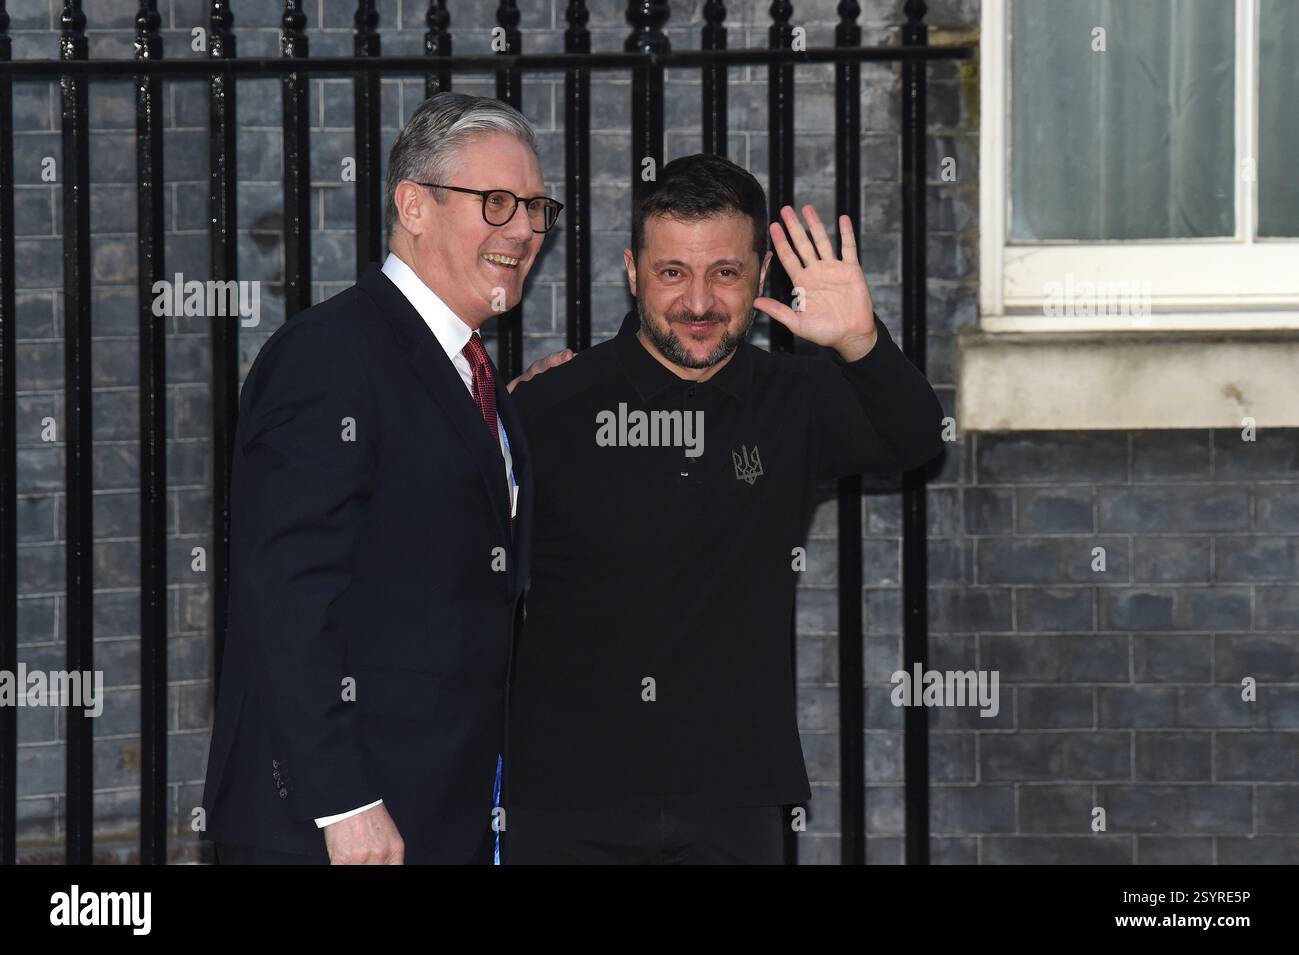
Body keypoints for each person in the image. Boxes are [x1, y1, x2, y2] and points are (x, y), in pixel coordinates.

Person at [504, 153, 945, 864]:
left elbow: (917, 437)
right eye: (672, 272)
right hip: (564, 798)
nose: (699, 302)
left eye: (726, 273)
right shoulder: (551, 405)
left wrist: (862, 343)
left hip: (734, 801)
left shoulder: (797, 398)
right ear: (632, 271)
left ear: (761, 277)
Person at [201, 92, 564, 864]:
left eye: (536, 207)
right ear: (414, 206)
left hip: (443, 811)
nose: (526, 229)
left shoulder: (473, 376)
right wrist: (345, 801)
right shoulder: (329, 357)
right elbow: (289, 589)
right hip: (341, 831)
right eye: (497, 202)